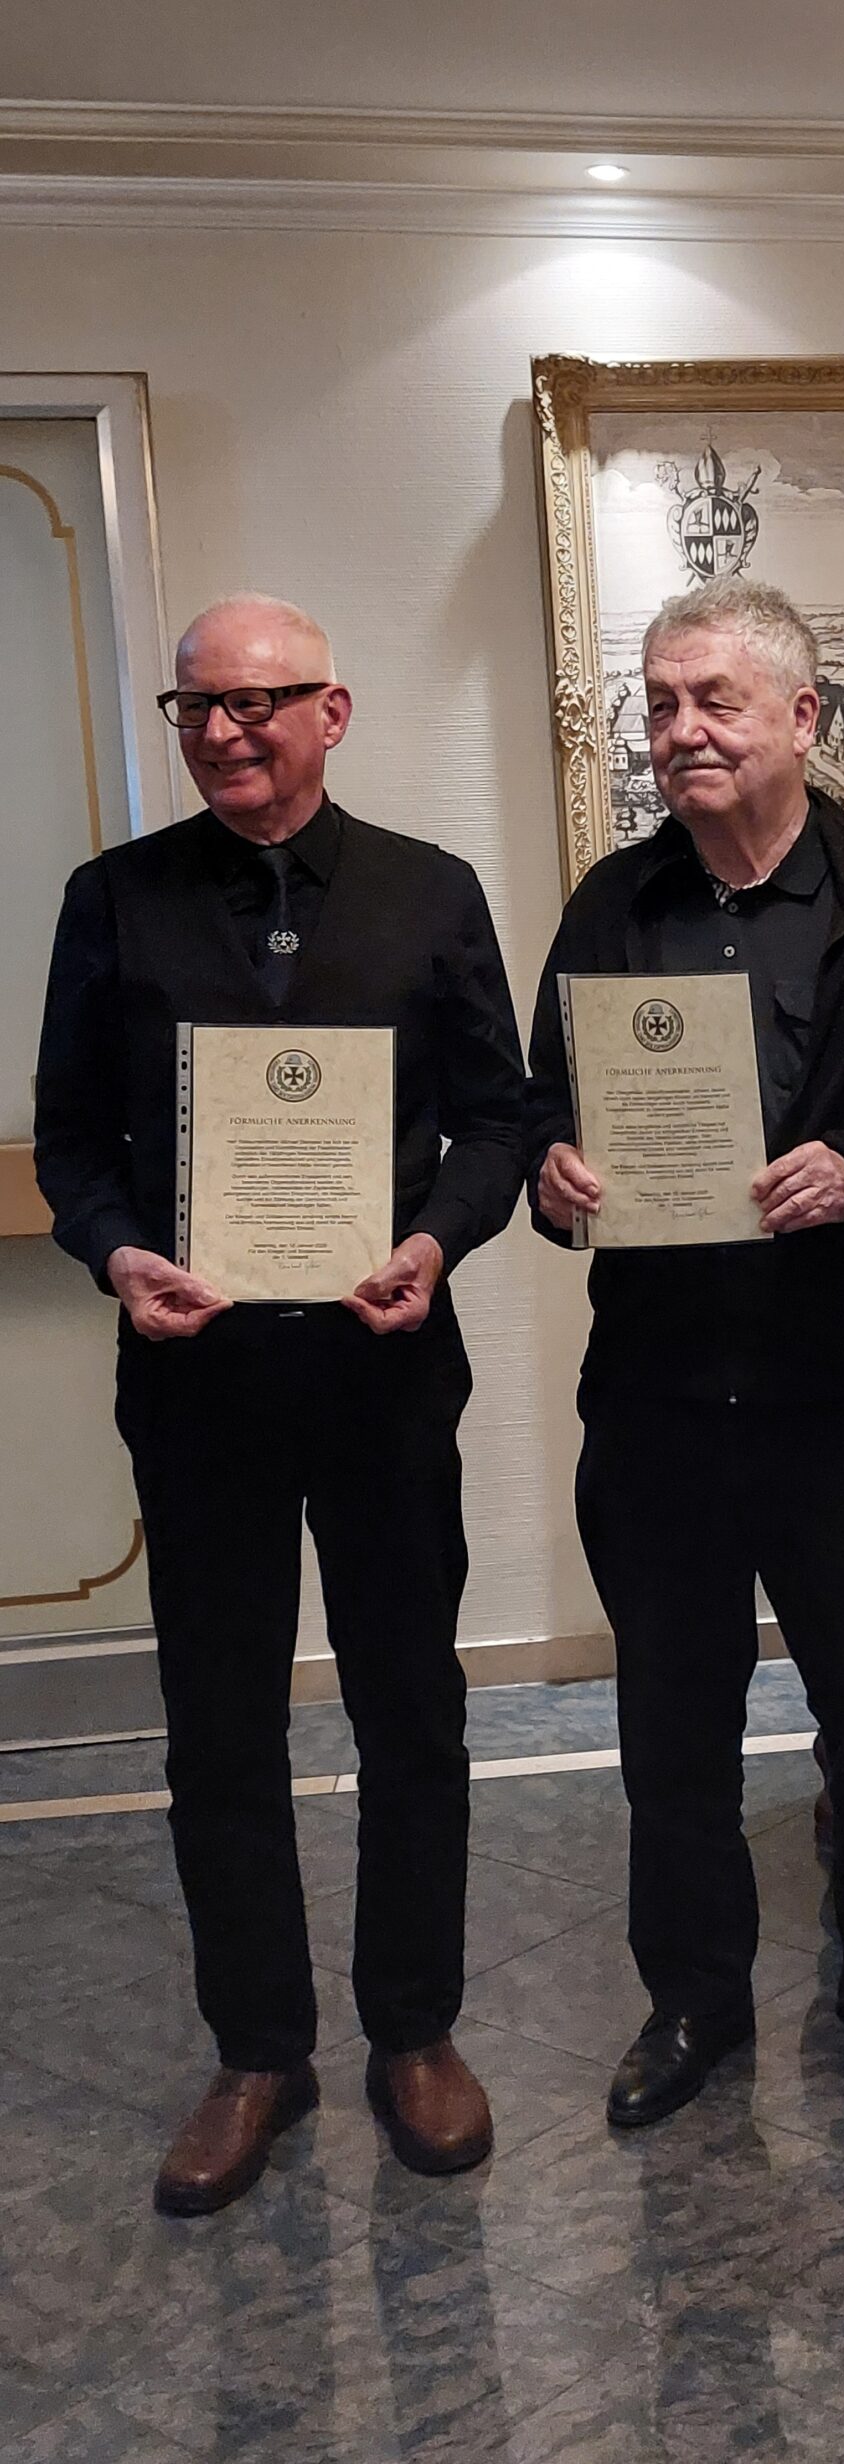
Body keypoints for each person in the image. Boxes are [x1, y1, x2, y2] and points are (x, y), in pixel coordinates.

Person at [34, 593, 526, 2214]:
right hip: (200, 1386)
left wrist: (435, 1241)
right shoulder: (114, 900)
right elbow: (74, 1144)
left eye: (259, 701)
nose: (227, 731)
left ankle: (416, 2031)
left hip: (386, 1375)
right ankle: (256, 2050)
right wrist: (117, 1254)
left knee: (412, 1709)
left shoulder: (429, 892)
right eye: (199, 708)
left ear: (333, 711)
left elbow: (497, 1122)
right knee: (221, 1726)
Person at [527, 577, 844, 2157]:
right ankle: (695, 2001)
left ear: (805, 716)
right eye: (660, 703)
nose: (683, 730)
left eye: (716, 699)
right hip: (657, 1397)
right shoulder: (614, 902)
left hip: (838, 1401)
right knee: (672, 1729)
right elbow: (544, 1109)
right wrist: (555, 1174)